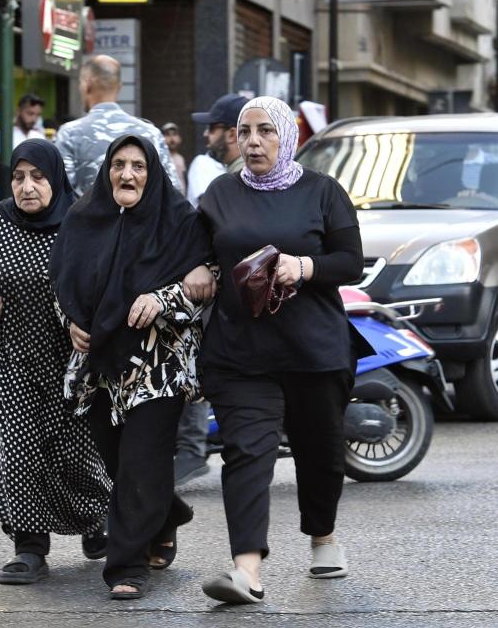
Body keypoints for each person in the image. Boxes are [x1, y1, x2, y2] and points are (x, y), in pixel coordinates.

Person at [197, 96, 368, 604]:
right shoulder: (219, 194)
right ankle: (246, 570)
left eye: (265, 131)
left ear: (287, 136)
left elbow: (351, 261)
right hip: (239, 351)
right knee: (245, 453)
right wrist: (198, 268)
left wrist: (305, 267)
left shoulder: (323, 192)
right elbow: (198, 249)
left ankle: (323, 536)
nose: (253, 141)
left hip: (313, 349)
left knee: (320, 453)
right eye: (245, 131)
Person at [50, 135, 214, 600]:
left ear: (153, 172)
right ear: (107, 170)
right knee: (119, 462)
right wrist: (71, 323)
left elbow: (207, 282)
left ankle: (127, 566)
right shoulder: (84, 218)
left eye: (138, 166)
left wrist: (159, 299)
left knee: (141, 462)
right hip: (98, 366)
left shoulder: (179, 220)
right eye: (119, 165)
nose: (127, 174)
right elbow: (61, 280)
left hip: (157, 364)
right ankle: (167, 514)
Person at [0, 139, 110, 584]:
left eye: (38, 177)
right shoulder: (0, 220)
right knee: (19, 451)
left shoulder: (80, 219)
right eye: (18, 177)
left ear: (55, 178)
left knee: (79, 452)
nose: (27, 187)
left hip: (72, 363)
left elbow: (100, 279)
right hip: (16, 360)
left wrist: (82, 318)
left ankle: (95, 523)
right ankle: (29, 548)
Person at [174, 93, 250, 486]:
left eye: (214, 128)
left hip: (246, 305)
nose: (207, 136)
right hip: (235, 296)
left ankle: (191, 445)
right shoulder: (225, 182)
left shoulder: (241, 182)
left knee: (189, 340)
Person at [55, 55, 180, 195]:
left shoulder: (70, 134)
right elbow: (172, 192)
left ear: (87, 84)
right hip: (142, 217)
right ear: (119, 87)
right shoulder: (151, 133)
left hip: (88, 216)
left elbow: (60, 194)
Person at [186, 94, 249, 206]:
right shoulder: (250, 173)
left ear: (231, 135)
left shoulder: (242, 178)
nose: (205, 134)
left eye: (212, 128)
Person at [0, 92, 46, 160]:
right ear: (18, 111)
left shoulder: (39, 136)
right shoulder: (0, 135)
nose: (34, 119)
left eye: (38, 115)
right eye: (30, 113)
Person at [161, 122, 187, 194]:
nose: (171, 138)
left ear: (179, 138)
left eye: (174, 134)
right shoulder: (160, 159)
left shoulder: (181, 159)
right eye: (167, 135)